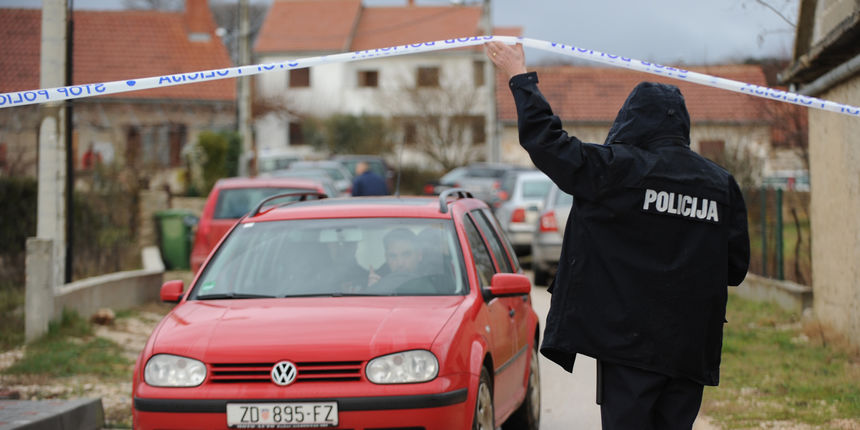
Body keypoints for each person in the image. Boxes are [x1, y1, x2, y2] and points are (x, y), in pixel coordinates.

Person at [485, 41, 750, 430]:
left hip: (629, 348)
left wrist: (518, 76)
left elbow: (547, 143)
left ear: (632, 119)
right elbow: (735, 268)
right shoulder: (721, 185)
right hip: (691, 350)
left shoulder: (615, 171)